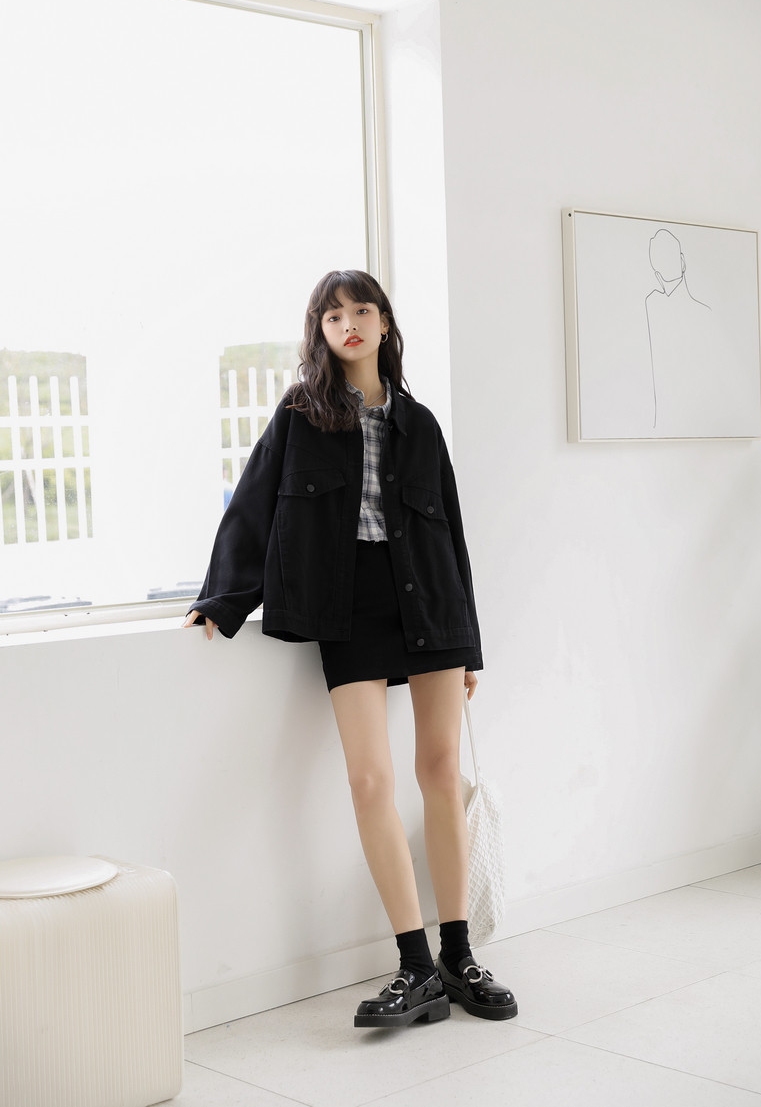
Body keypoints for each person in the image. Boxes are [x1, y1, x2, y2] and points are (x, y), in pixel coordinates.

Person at [183, 269, 516, 1028]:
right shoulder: (300, 415)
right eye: (333, 315)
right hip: (350, 607)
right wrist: (223, 597)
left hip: (430, 602)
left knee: (440, 771)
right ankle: (416, 966)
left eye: (362, 309)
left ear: (385, 323)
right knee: (369, 780)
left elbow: (451, 535)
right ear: (321, 332)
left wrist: (468, 646)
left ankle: (459, 954)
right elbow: (254, 505)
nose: (349, 323)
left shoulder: (420, 424)